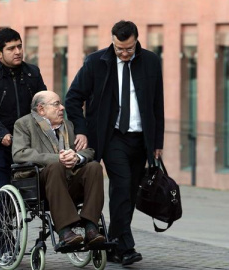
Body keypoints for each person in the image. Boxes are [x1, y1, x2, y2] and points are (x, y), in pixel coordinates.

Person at [65, 20, 164, 266]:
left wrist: (157, 141)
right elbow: (73, 98)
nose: (124, 53)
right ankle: (125, 246)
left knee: (130, 192)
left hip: (140, 138)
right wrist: (82, 130)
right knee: (121, 185)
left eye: (129, 49)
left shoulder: (151, 61)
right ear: (112, 40)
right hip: (111, 138)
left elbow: (157, 105)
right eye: (119, 48)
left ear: (137, 41)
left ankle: (114, 244)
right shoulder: (96, 62)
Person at [0, 27, 47, 233]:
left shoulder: (33, 73)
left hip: (26, 143)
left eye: (19, 46)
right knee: (3, 191)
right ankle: (4, 245)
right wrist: (1, 134)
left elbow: (42, 103)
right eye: (11, 48)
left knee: (26, 193)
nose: (18, 52)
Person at [12, 91, 106, 248]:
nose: (62, 107)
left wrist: (77, 157)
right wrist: (57, 158)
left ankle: (91, 228)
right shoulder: (24, 124)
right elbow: (19, 154)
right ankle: (65, 231)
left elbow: (88, 151)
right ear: (41, 109)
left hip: (69, 181)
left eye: (61, 104)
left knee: (94, 167)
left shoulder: (68, 125)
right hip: (40, 184)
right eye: (56, 104)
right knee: (55, 166)